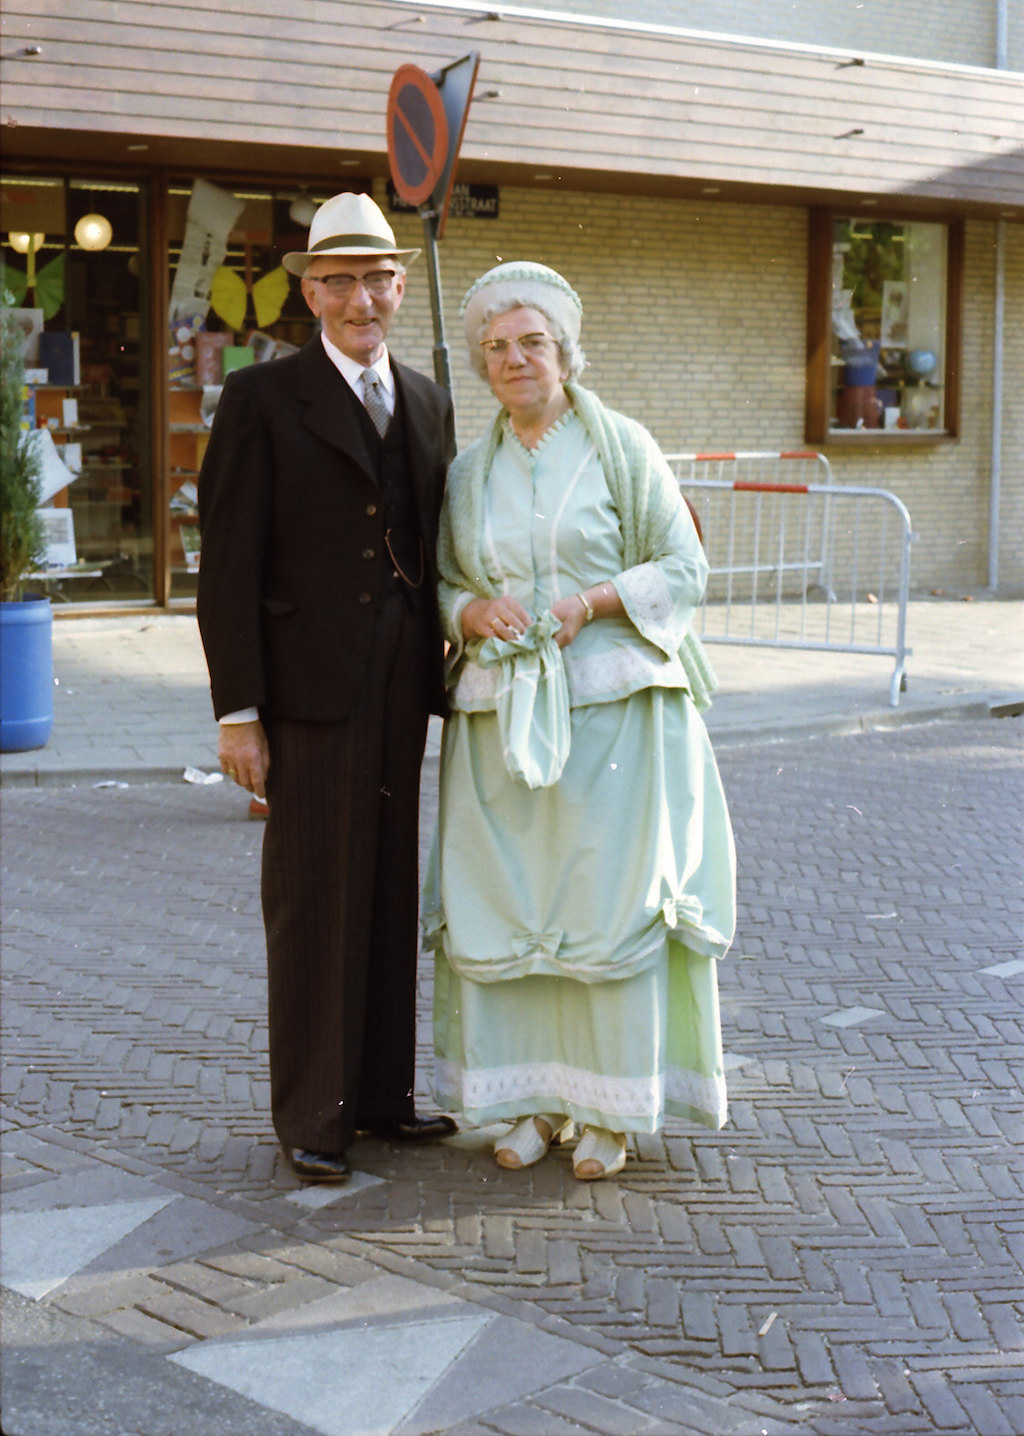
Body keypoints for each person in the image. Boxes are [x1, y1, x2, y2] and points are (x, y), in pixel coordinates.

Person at [422, 262, 735, 1181]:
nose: (515, 359)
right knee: (515, 902)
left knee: (604, 905)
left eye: (532, 342)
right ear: (482, 364)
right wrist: (469, 616)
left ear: (564, 351)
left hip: (615, 720)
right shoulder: (469, 471)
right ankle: (527, 1101)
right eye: (497, 347)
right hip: (498, 721)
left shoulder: (623, 447)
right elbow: (448, 581)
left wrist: (594, 601)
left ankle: (612, 1110)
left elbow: (684, 566)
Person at [197, 192, 457, 1184]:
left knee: (390, 885)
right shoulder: (264, 399)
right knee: (314, 896)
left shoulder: (429, 399)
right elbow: (226, 564)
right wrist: (237, 710)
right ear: (309, 291)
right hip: (307, 688)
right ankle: (314, 1110)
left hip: (402, 680)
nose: (361, 298)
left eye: (376, 279)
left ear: (398, 286)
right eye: (339, 280)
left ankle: (383, 1094)